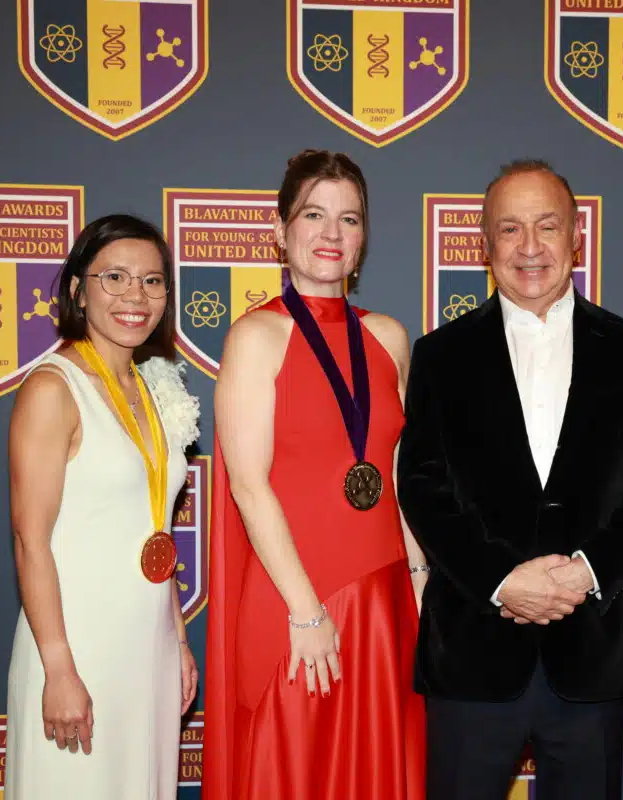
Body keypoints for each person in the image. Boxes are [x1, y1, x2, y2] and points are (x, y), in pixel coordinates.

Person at [396, 159, 623, 800]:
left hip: (590, 658)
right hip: (472, 654)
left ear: (576, 235)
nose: (530, 247)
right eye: (510, 229)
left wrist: (588, 571)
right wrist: (502, 580)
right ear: (485, 243)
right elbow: (421, 484)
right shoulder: (440, 356)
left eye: (547, 226)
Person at [201, 149, 427, 800]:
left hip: (384, 605)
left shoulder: (388, 338)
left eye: (349, 219)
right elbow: (248, 483)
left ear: (363, 240)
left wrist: (418, 581)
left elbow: (392, 472)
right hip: (293, 601)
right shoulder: (257, 337)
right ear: (280, 231)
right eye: (314, 215)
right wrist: (305, 611)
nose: (332, 234)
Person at [4, 214, 201, 798]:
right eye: (113, 277)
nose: (135, 296)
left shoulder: (153, 385)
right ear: (76, 291)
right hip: (76, 646)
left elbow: (152, 530)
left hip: (148, 647)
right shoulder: (52, 389)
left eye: (153, 281)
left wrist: (179, 639)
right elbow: (29, 541)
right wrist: (59, 669)